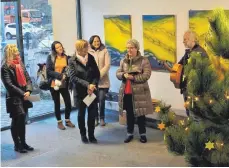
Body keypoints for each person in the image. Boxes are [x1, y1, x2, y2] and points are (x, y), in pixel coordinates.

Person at [116, 39, 153, 143]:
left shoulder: (143, 60)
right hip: (126, 92)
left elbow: (147, 75)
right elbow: (118, 72)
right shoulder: (123, 60)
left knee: (141, 114)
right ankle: (129, 133)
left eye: (131, 48)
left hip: (140, 92)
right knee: (129, 114)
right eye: (127, 48)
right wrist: (123, 75)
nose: (129, 50)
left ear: (136, 48)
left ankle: (143, 134)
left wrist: (133, 78)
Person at [1, 44, 34, 153]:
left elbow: (28, 78)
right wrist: (23, 93)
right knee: (17, 118)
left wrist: (28, 91)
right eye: (16, 51)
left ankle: (23, 143)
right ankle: (17, 144)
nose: (18, 53)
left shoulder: (20, 63)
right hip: (14, 97)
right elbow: (9, 85)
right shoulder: (4, 67)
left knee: (22, 120)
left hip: (24, 95)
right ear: (10, 53)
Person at [68, 39, 100, 143]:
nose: (88, 48)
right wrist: (87, 85)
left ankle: (91, 135)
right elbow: (73, 78)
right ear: (80, 48)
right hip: (80, 93)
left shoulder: (90, 57)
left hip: (91, 92)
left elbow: (97, 74)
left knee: (92, 114)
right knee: (81, 115)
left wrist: (92, 85)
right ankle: (83, 134)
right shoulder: (72, 60)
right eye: (86, 47)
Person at [178, 30, 208, 116]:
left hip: (195, 91)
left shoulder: (200, 53)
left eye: (185, 39)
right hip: (187, 89)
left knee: (196, 116)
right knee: (189, 114)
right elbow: (179, 66)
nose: (183, 41)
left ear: (193, 40)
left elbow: (201, 73)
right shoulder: (188, 52)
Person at [46, 41, 75, 130]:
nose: (60, 48)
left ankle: (67, 120)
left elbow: (70, 68)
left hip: (64, 84)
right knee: (57, 103)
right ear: (54, 49)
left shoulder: (66, 57)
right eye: (58, 47)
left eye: (61, 46)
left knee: (68, 103)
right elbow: (49, 71)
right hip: (54, 84)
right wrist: (59, 75)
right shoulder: (50, 57)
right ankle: (59, 122)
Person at [88, 35, 111, 126]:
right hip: (91, 82)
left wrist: (98, 75)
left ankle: (102, 118)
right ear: (91, 43)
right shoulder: (88, 52)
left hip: (103, 81)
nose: (97, 43)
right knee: (92, 100)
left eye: (98, 41)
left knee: (101, 99)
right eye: (94, 41)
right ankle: (95, 118)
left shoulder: (105, 51)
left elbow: (107, 65)